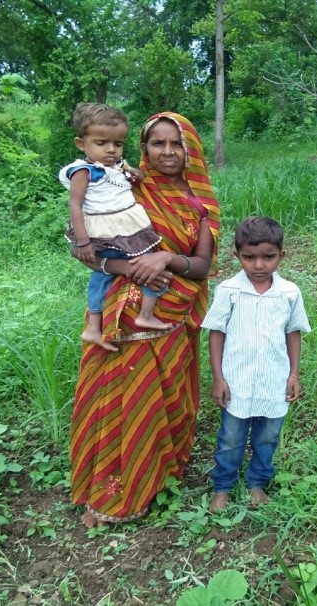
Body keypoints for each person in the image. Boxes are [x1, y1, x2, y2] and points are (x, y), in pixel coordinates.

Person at [69, 112, 220, 527]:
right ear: (145, 148)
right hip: (120, 320)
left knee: (160, 401)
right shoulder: (123, 189)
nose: (168, 152)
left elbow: (203, 266)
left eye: (177, 144)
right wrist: (129, 268)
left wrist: (167, 258)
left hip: (169, 320)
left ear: (192, 149)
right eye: (158, 144)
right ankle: (110, 492)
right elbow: (87, 251)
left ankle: (158, 477)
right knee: (116, 401)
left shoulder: (200, 205)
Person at [201, 216, 311, 512]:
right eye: (249, 258)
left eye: (268, 257)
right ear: (237, 255)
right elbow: (216, 333)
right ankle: (222, 487)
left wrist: (293, 374)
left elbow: (293, 332)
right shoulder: (229, 290)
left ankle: (257, 483)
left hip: (274, 381)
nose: (259, 265)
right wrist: (218, 378)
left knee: (268, 438)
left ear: (281, 256)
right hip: (236, 382)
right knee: (230, 439)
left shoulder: (289, 292)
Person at [60, 102, 172, 352]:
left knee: (102, 275)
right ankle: (145, 314)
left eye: (118, 144)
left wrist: (134, 174)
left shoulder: (115, 166)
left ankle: (93, 329)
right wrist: (83, 241)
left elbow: (128, 175)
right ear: (82, 144)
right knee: (147, 264)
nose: (111, 150)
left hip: (123, 227)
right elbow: (75, 206)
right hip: (103, 231)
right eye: (102, 143)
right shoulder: (83, 171)